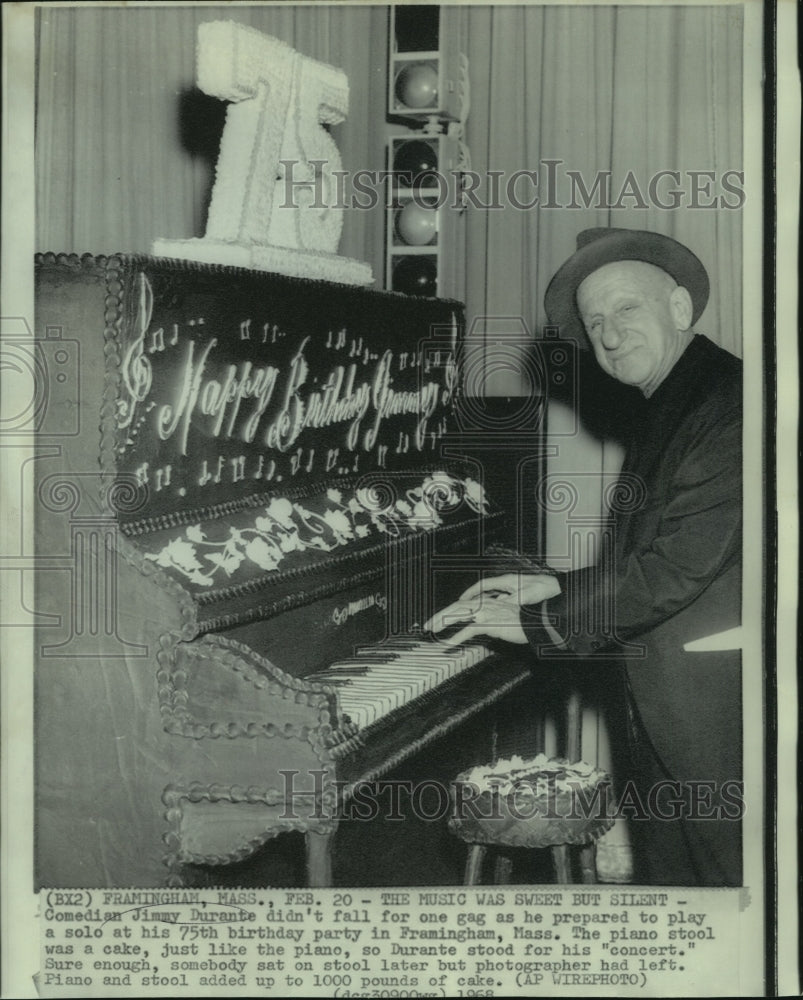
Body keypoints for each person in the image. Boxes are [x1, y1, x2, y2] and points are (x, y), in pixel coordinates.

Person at [427, 227, 743, 886]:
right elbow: (651, 556)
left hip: (713, 713)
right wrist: (544, 589)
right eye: (595, 320)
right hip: (668, 704)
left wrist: (538, 623)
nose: (607, 332)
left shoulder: (728, 402)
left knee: (725, 900)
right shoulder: (676, 399)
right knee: (681, 898)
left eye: (626, 308)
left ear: (679, 308)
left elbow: (671, 571)